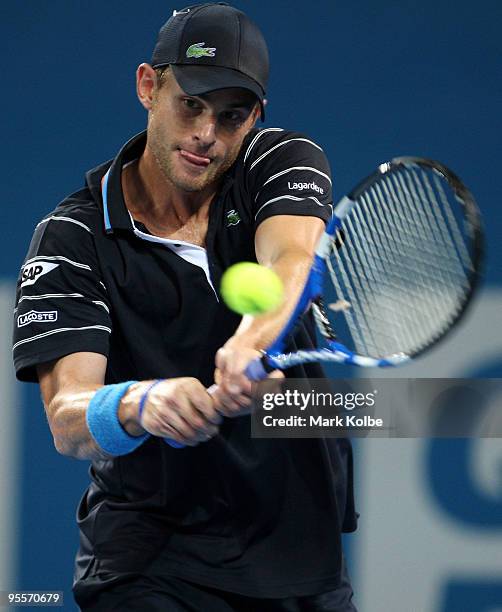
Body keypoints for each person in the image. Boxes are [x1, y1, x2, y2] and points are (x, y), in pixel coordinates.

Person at [12, 3, 358, 610]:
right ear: (148, 86)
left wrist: (249, 345)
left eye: (231, 116)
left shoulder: (277, 163)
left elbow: (291, 262)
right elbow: (67, 416)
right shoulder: (73, 239)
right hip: (148, 561)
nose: (207, 134)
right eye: (190, 104)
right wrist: (142, 403)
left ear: (255, 118)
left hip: (297, 552)